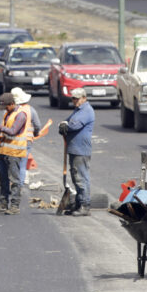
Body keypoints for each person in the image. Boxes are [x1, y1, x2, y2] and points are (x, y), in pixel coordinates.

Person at [0, 92, 32, 215]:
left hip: (14, 153)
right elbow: (4, 131)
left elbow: (13, 131)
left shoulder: (21, 115)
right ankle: (3, 204)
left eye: (7, 106)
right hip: (3, 151)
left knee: (14, 180)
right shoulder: (7, 114)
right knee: (2, 179)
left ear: (12, 103)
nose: (5, 109)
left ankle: (14, 206)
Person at [58, 88, 94, 216]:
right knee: (75, 177)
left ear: (84, 98)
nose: (74, 101)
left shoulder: (86, 110)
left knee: (81, 177)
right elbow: (66, 121)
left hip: (81, 150)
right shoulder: (78, 110)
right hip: (74, 149)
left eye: (77, 99)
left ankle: (85, 205)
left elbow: (74, 125)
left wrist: (66, 126)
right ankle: (79, 204)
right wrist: (63, 125)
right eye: (73, 98)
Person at [11, 87, 41, 187]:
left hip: (12, 142)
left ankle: (13, 184)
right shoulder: (30, 110)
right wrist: (35, 133)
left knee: (13, 164)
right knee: (22, 165)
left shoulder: (11, 110)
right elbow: (37, 125)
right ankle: (20, 186)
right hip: (26, 141)